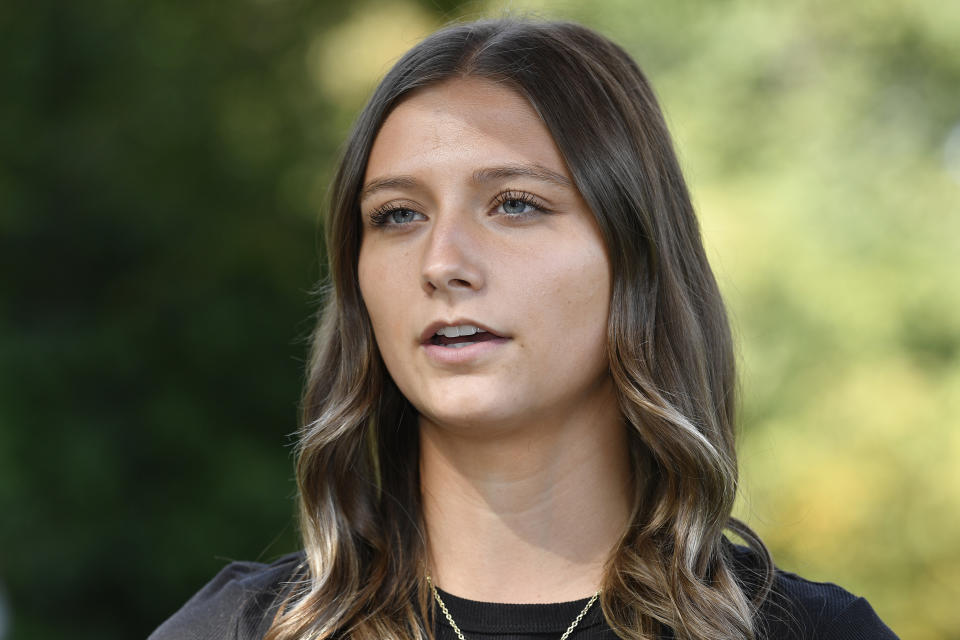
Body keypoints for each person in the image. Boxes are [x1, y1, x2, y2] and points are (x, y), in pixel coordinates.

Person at [151, 18, 898, 640]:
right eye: (398, 216)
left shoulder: (810, 631)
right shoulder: (241, 629)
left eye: (514, 204)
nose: (442, 263)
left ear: (634, 251)